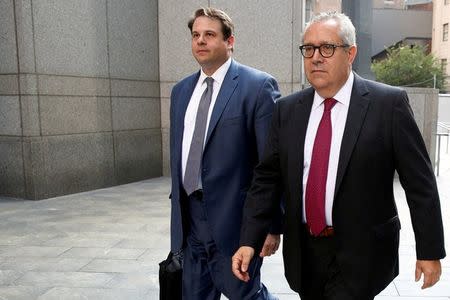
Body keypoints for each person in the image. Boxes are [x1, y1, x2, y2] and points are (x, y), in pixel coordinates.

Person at [232, 11, 446, 300]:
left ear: (351, 53)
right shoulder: (287, 110)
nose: (316, 57)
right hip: (305, 253)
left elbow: (420, 183)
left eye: (327, 48)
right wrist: (249, 238)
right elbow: (266, 179)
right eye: (308, 48)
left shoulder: (387, 105)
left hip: (363, 252)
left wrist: (429, 250)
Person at [169, 7, 282, 300]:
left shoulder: (257, 86)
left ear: (230, 41)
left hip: (236, 221)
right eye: (196, 35)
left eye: (209, 35)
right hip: (190, 220)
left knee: (246, 294)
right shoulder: (181, 91)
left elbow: (271, 163)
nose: (201, 41)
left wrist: (272, 225)